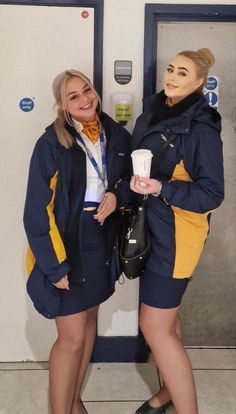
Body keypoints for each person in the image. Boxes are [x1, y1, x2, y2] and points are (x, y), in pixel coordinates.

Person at [23, 69, 131, 414]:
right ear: (62, 105)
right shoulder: (51, 143)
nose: (86, 99)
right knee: (70, 339)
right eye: (74, 96)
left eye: (87, 90)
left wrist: (116, 194)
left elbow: (129, 178)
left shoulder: (114, 133)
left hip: (100, 236)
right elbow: (36, 212)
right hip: (66, 242)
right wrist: (54, 267)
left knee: (86, 329)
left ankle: (73, 403)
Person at [130, 48, 224, 414]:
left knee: (153, 326)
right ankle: (166, 394)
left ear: (199, 83)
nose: (171, 77)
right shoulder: (154, 110)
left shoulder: (200, 129)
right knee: (166, 321)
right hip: (152, 228)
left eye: (182, 73)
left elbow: (212, 194)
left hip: (178, 237)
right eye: (171, 69)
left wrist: (160, 188)